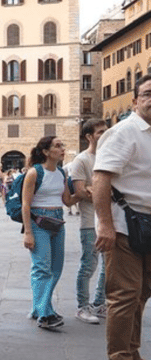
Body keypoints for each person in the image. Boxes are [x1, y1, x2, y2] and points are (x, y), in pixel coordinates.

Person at [94, 74, 151, 360]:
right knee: (124, 295)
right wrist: (104, 225)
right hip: (124, 226)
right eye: (148, 93)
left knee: (141, 293)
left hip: (147, 225)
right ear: (135, 101)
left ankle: (132, 356)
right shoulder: (124, 132)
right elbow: (101, 179)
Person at [21, 136, 75, 329]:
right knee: (42, 267)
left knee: (56, 268)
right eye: (58, 146)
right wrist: (28, 232)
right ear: (46, 151)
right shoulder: (35, 173)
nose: (62, 149)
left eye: (63, 146)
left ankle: (39, 308)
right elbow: (25, 204)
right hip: (39, 221)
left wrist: (85, 193)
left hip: (58, 221)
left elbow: (67, 201)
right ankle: (45, 314)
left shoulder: (62, 173)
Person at [70, 119, 108, 324]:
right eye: (101, 132)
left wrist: (97, 191)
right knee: (88, 266)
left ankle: (99, 303)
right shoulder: (81, 160)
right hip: (89, 222)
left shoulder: (109, 157)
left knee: (108, 266)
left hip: (109, 220)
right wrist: (101, 192)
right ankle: (82, 307)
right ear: (89, 137)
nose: (105, 134)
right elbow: (80, 192)